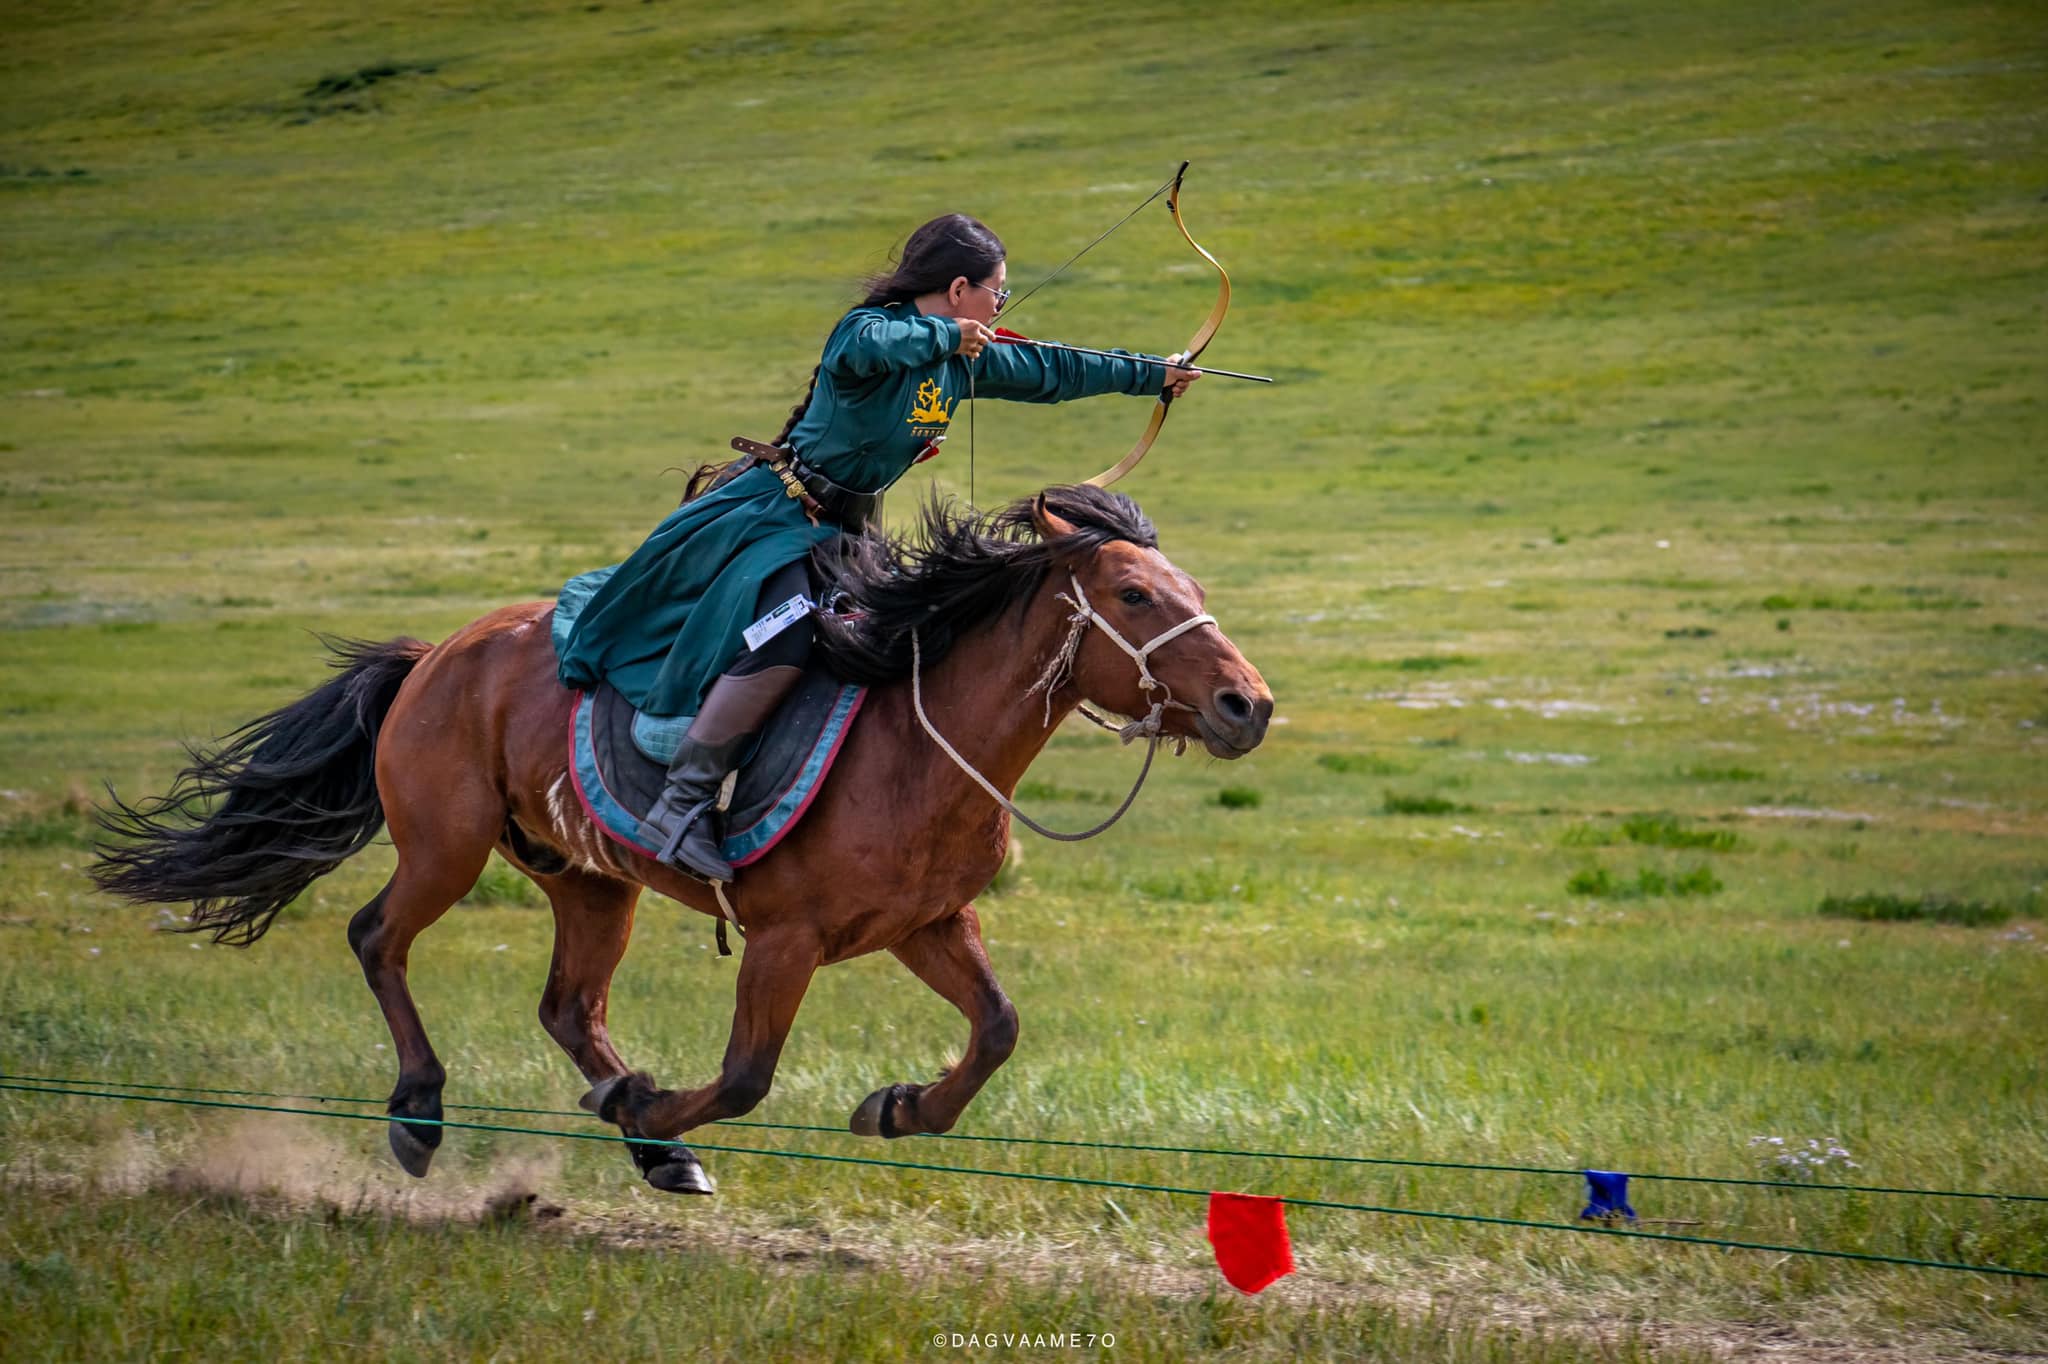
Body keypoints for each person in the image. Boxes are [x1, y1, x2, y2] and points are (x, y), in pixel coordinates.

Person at [554, 213, 1199, 882]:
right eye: (996, 293)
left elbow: (1048, 367)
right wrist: (947, 335)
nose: (999, 305)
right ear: (958, 290)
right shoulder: (868, 331)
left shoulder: (960, 356)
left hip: (847, 534)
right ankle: (680, 803)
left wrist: (1152, 374)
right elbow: (871, 347)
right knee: (789, 633)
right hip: (773, 519)